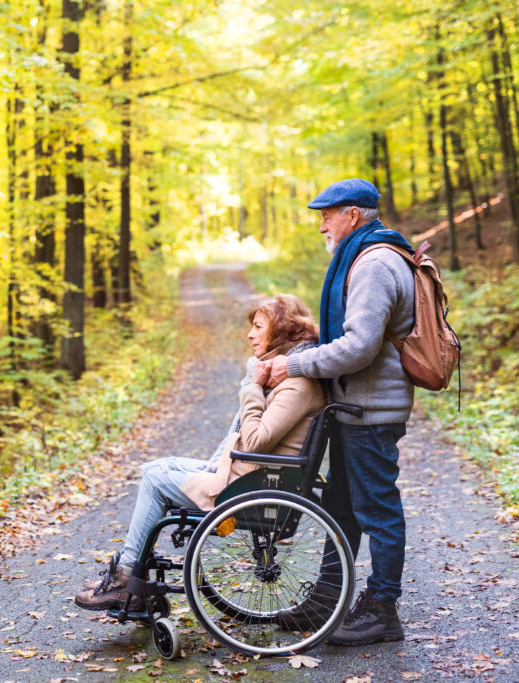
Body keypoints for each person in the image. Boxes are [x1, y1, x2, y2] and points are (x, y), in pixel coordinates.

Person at [74, 294, 326, 612]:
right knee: (154, 468)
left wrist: (251, 389)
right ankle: (132, 577)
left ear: (282, 332)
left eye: (258, 327)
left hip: (253, 484)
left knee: (154, 481)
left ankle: (126, 581)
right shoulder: (289, 379)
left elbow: (256, 440)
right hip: (250, 475)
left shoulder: (297, 385)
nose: (249, 335)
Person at [266, 178, 415, 646]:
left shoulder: (374, 263)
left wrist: (292, 363)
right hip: (354, 407)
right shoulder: (362, 256)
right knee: (342, 508)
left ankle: (382, 609)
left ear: (352, 215)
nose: (321, 225)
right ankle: (328, 596)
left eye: (326, 215)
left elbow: (359, 347)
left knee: (377, 509)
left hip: (372, 410)